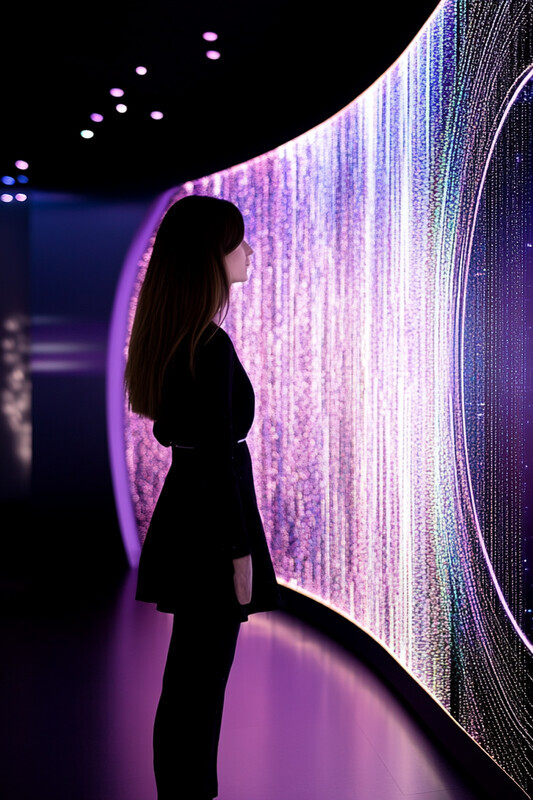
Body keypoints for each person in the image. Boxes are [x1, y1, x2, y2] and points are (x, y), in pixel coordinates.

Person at [124, 194, 281, 800]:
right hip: (214, 532)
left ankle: (183, 793)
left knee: (189, 678)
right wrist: (239, 553)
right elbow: (218, 459)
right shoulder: (207, 347)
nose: (248, 253)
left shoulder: (184, 342)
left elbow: (204, 454)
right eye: (236, 242)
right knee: (200, 680)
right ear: (207, 258)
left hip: (189, 521)